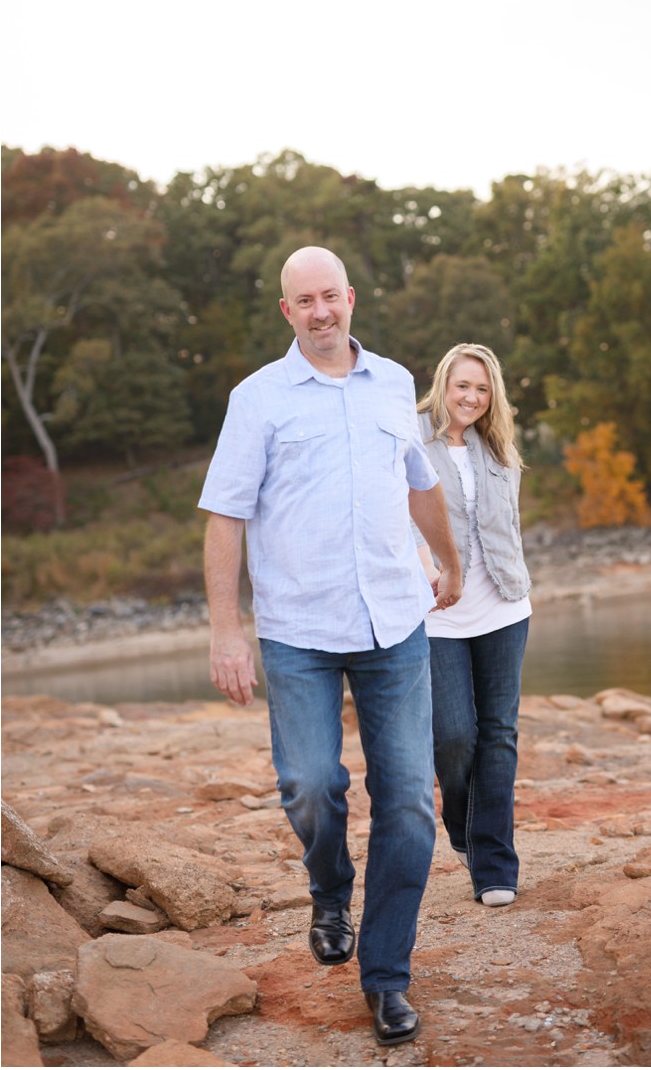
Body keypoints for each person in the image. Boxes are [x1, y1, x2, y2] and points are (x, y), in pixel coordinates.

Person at [199, 246, 462, 1048]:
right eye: (302, 301)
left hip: (394, 619)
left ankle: (385, 978)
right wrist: (224, 630)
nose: (319, 311)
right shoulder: (258, 399)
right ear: (287, 311)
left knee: (410, 800)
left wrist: (449, 560)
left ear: (351, 297)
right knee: (311, 785)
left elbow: (419, 482)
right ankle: (329, 888)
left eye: (329, 297)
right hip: (299, 630)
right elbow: (225, 517)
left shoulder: (391, 381)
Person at [415, 343, 531, 908]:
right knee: (454, 735)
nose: (471, 398)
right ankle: (462, 827)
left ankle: (493, 866)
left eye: (482, 389)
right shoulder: (411, 435)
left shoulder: (499, 444)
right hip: (436, 611)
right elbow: (396, 511)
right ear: (443, 383)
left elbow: (507, 523)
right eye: (463, 385)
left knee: (499, 734)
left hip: (504, 606)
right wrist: (426, 568)